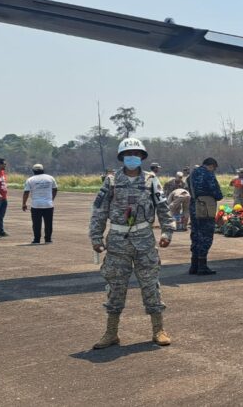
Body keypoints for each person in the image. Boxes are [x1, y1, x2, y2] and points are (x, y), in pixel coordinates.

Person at [90, 138, 176, 349]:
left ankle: (158, 330)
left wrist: (167, 232)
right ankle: (111, 333)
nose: (133, 158)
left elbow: (163, 208)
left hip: (144, 239)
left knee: (150, 284)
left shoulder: (151, 180)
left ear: (142, 157)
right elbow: (99, 210)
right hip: (118, 241)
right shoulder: (111, 181)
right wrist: (96, 237)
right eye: (129, 154)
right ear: (122, 157)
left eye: (137, 154)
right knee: (115, 286)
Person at [188, 157, 224, 275]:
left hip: (194, 205)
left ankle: (194, 265)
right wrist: (218, 195)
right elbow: (217, 194)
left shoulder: (192, 174)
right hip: (205, 207)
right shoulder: (209, 174)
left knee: (195, 234)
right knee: (206, 235)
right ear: (211, 165)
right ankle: (202, 266)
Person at [22, 163, 58, 244]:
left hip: (36, 205)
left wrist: (24, 203)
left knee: (36, 223)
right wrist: (51, 199)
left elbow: (26, 192)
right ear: (43, 170)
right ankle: (48, 239)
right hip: (48, 204)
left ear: (33, 171)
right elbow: (55, 189)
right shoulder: (50, 178)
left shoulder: (30, 179)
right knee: (48, 223)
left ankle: (36, 239)